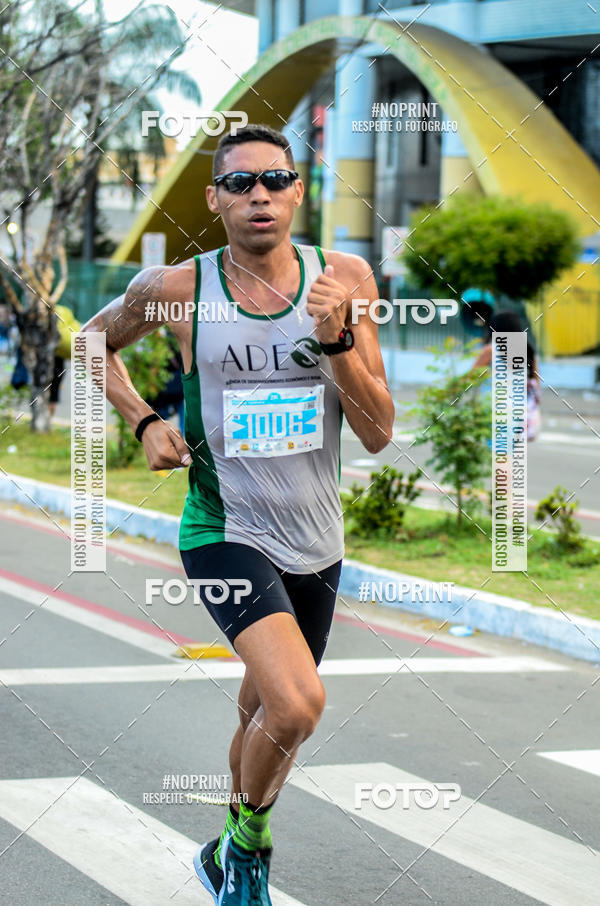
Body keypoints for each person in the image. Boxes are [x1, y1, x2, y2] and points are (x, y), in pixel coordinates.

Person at [81, 123, 394, 906]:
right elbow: (92, 343)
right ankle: (249, 854)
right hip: (225, 530)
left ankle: (225, 842)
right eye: (242, 183)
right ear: (215, 200)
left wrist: (337, 338)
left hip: (317, 540)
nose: (261, 195)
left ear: (298, 193)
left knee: (265, 713)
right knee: (297, 703)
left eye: (277, 181)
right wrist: (147, 421)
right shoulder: (176, 291)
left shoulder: (345, 277)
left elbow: (379, 431)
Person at [472, 309, 541, 441]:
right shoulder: (527, 350)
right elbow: (535, 383)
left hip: (494, 409)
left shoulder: (491, 350)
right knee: (507, 455)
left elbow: (470, 377)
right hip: (519, 411)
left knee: (497, 455)